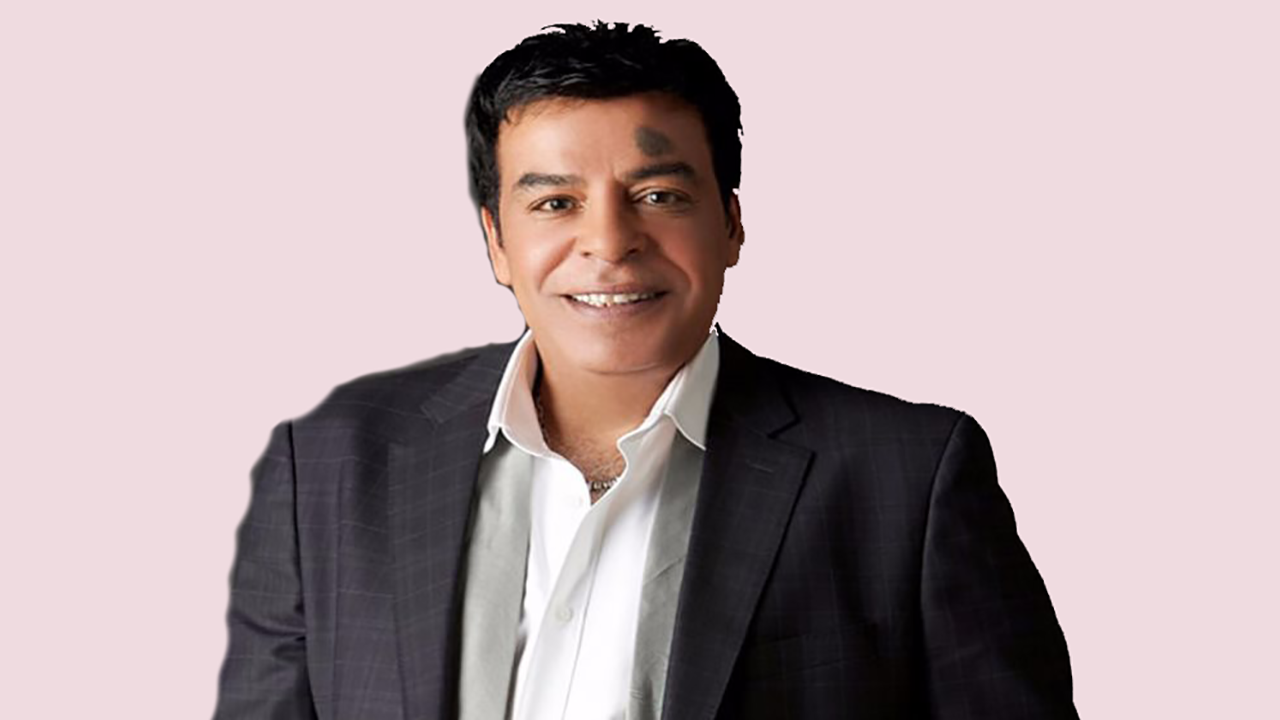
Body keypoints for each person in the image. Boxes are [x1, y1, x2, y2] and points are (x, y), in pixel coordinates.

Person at [214, 21, 1078, 720]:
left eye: (659, 196)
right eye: (555, 202)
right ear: (496, 241)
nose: (609, 242)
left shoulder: (908, 477)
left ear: (731, 223)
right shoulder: (327, 465)